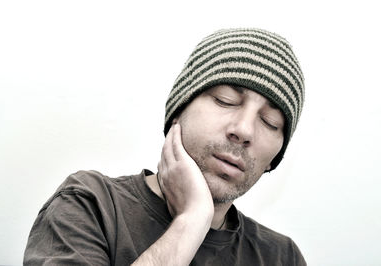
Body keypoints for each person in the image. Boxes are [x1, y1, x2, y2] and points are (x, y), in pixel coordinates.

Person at [24, 28, 306, 265]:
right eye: (225, 100)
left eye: (270, 122)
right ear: (178, 111)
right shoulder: (90, 204)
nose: (244, 130)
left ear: (274, 158)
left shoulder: (282, 257)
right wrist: (192, 221)